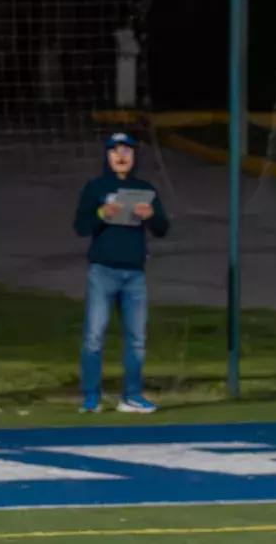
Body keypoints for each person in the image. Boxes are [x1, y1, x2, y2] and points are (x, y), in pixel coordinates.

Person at [72, 132, 170, 414]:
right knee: (94, 335)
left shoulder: (144, 188)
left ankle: (132, 396)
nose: (121, 155)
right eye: (115, 150)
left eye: (126, 150)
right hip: (103, 271)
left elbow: (162, 229)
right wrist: (102, 214)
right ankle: (91, 396)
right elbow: (80, 226)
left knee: (137, 338)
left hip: (134, 274)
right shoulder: (95, 188)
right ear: (107, 156)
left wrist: (151, 216)